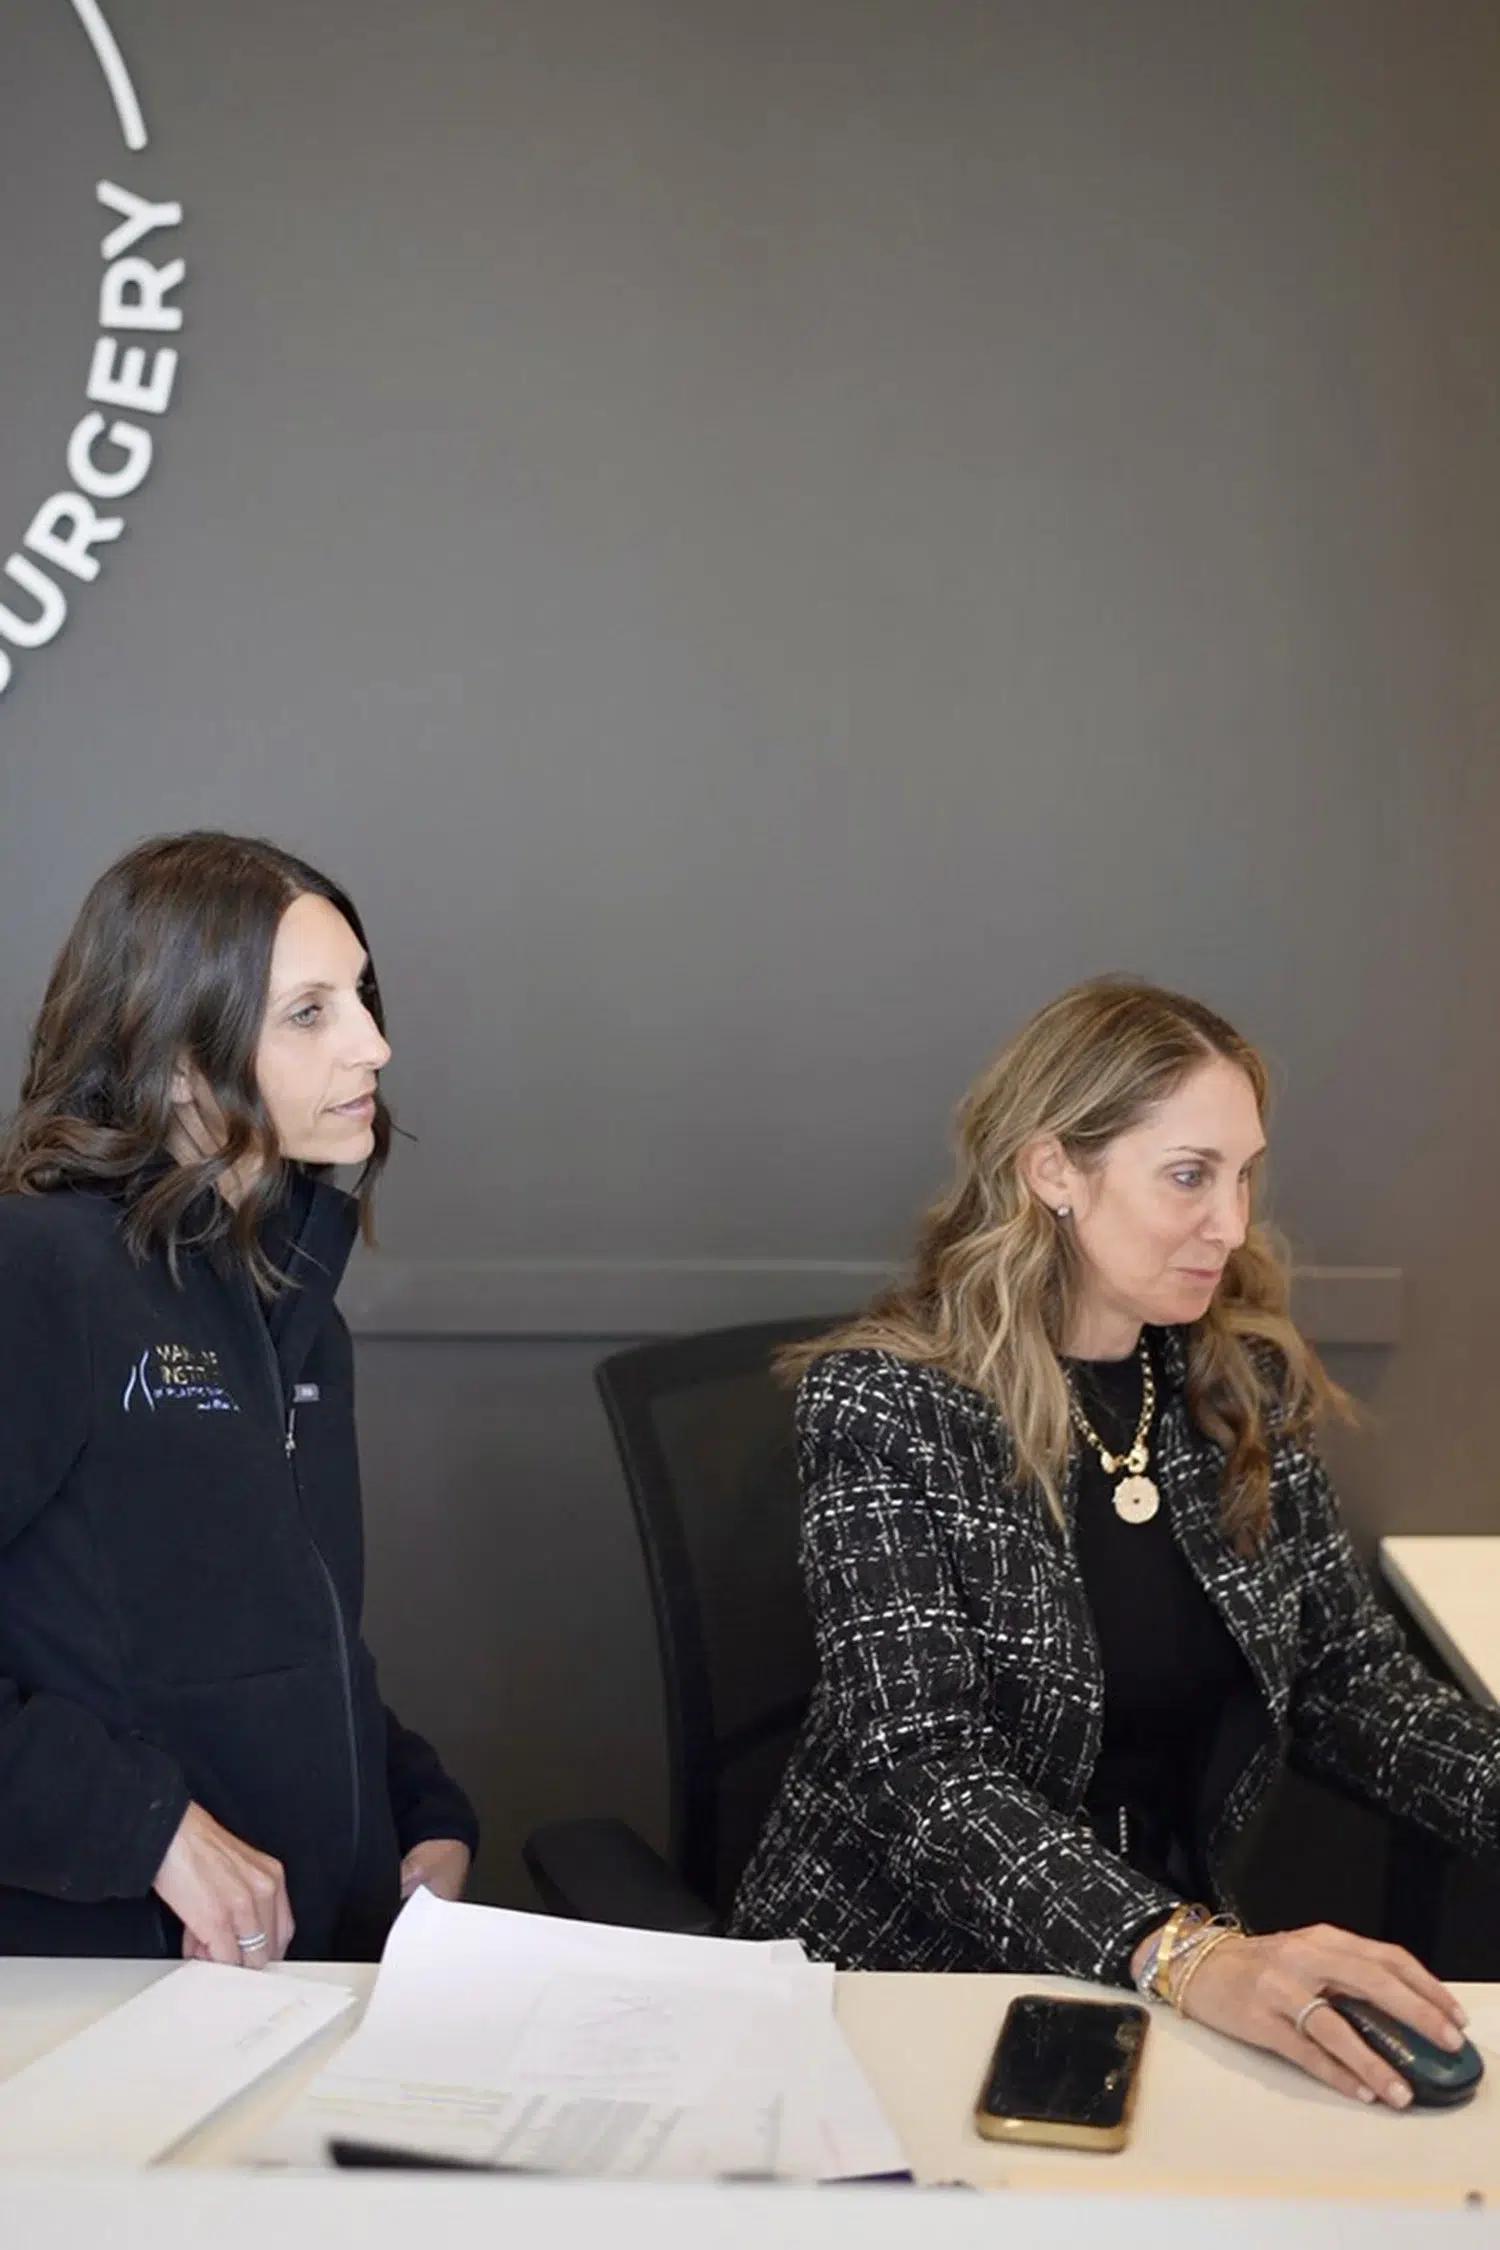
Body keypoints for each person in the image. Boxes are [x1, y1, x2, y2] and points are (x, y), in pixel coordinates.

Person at [731, 977, 1499, 2109]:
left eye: (1243, 1176)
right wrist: (1187, 1953)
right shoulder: (892, 1405)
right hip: (909, 1973)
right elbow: (920, 1768)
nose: (1232, 1224)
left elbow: (1347, 1680)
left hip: (1163, 1968)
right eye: (1189, 1176)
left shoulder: (1234, 1380)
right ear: (1054, 1172)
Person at [0, 832, 478, 1964]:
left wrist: (419, 1811)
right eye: (309, 1013)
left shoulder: (291, 1302)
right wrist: (141, 1826)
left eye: (359, 996)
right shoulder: (39, 1274)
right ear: (173, 1055)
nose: (375, 1042)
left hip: (300, 1983)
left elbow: (283, 1639)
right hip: (94, 1999)